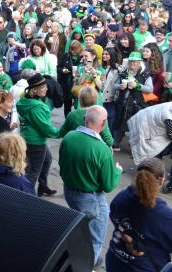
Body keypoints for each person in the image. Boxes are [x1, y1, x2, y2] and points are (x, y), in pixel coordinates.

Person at [59, 105, 123, 268]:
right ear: (103, 124)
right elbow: (108, 185)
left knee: (80, 227)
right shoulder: (102, 149)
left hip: (69, 191)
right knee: (95, 236)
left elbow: (62, 164)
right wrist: (117, 171)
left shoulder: (69, 137)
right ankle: (89, 264)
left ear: (85, 120)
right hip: (90, 198)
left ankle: (77, 255)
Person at [106, 158, 172, 272]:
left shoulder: (121, 197)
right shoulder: (165, 216)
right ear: (161, 180)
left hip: (114, 260)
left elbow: (114, 216)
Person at [16, 73, 59, 196]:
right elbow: (45, 128)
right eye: (43, 87)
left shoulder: (25, 100)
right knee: (33, 171)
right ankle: (26, 196)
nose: (46, 89)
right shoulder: (37, 107)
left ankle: (43, 186)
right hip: (36, 142)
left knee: (47, 160)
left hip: (28, 138)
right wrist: (60, 132)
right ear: (34, 90)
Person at [113, 51, 154, 151]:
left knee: (136, 126)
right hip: (123, 103)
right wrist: (120, 86)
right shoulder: (123, 73)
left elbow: (150, 89)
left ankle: (134, 147)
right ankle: (116, 143)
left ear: (139, 63)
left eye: (135, 62)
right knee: (120, 122)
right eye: (131, 62)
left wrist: (138, 86)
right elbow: (115, 86)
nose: (132, 64)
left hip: (137, 104)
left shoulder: (145, 75)